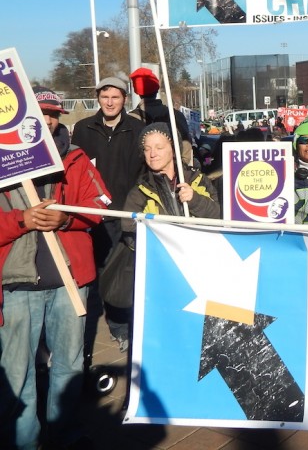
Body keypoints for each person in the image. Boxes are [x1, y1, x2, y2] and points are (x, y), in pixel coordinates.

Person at [0, 87, 110, 449]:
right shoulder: (4, 161)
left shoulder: (76, 158)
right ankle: (22, 441)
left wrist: (66, 219)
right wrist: (22, 220)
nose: (48, 120)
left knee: (69, 364)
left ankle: (66, 434)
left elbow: (100, 205)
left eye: (53, 114)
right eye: (40, 113)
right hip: (15, 285)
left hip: (69, 281)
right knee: (18, 374)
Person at [114, 123, 221, 330]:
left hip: (200, 272)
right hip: (161, 275)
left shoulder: (198, 180)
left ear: (173, 149)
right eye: (147, 149)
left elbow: (218, 216)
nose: (152, 154)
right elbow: (128, 230)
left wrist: (195, 199)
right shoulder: (140, 190)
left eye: (159, 147)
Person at [71, 76, 146, 349]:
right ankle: (86, 329)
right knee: (94, 273)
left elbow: (143, 172)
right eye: (105, 97)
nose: (110, 102)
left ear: (124, 99)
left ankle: (121, 327)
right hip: (92, 214)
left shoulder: (137, 128)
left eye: (115, 97)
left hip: (125, 213)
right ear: (98, 99)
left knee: (121, 274)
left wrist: (134, 205)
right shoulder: (83, 128)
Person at [128, 67, 194, 166]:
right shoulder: (176, 116)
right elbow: (186, 147)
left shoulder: (129, 119)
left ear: (137, 92)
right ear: (157, 89)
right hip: (174, 175)